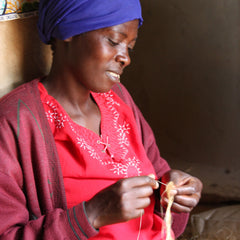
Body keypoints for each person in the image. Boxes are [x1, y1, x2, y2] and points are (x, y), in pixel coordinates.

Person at [0, 0, 202, 239]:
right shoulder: (17, 121)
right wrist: (92, 213)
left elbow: (158, 175)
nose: (125, 58)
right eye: (114, 41)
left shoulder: (119, 99)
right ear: (69, 31)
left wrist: (174, 190)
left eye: (130, 47)